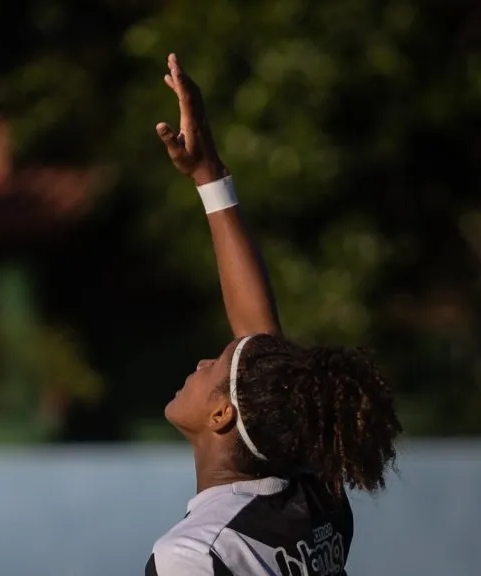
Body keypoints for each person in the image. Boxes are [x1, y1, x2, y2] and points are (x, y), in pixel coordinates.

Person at [144, 53, 402, 576]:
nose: (199, 364)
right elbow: (262, 352)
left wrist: (209, 175)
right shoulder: (315, 497)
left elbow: (258, 353)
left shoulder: (195, 554)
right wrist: (208, 173)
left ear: (223, 415)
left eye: (212, 367)